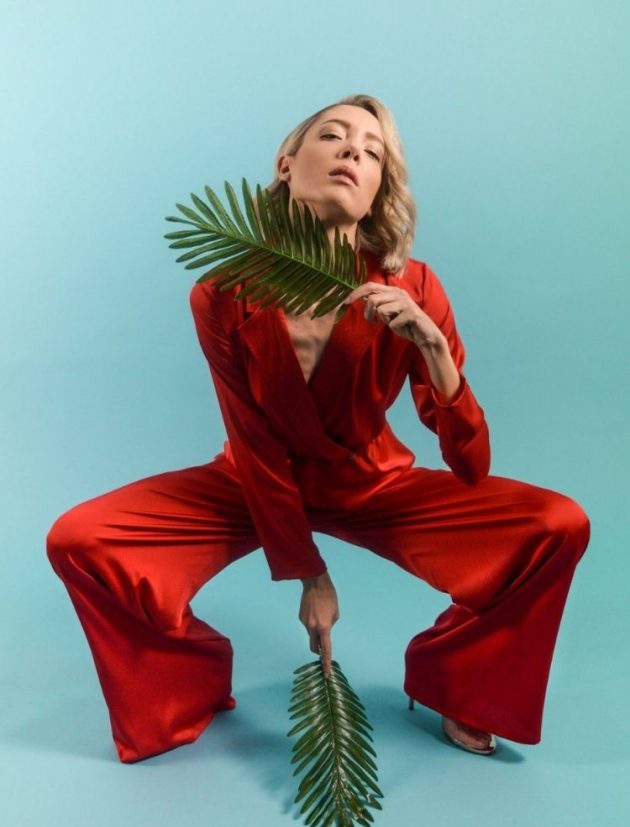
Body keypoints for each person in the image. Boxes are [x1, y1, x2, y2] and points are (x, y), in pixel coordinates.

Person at [46, 93, 590, 763]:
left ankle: (463, 684)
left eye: (372, 152)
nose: (353, 151)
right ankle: (183, 683)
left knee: (555, 525)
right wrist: (310, 574)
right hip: (252, 482)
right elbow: (252, 440)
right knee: (82, 540)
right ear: (287, 162)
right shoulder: (222, 293)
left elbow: (471, 465)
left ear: (378, 188)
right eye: (333, 136)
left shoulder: (414, 286)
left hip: (373, 484)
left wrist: (436, 352)